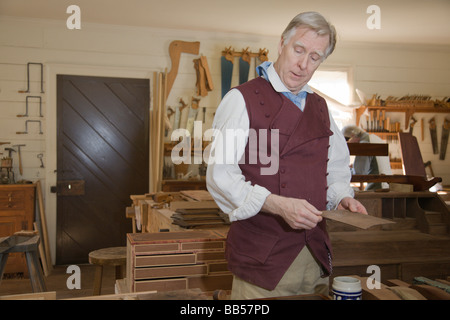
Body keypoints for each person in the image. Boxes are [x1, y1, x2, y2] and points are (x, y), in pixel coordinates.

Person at [206, 11, 367, 299]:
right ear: (282, 44)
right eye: (299, 50)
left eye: (315, 57)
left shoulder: (321, 108)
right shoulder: (240, 99)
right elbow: (221, 176)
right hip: (262, 261)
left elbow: (336, 169)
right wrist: (276, 204)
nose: (304, 64)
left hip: (315, 255)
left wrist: (342, 196)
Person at [342, 125, 392, 190]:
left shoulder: (365, 144)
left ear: (352, 136)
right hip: (386, 184)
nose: (348, 143)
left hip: (377, 187)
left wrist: (343, 170)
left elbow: (359, 172)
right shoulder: (374, 138)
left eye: (347, 141)